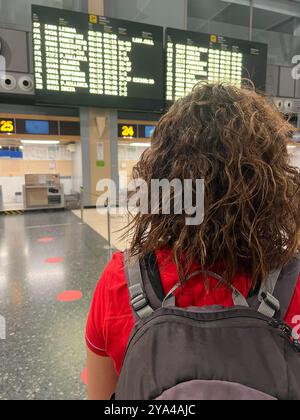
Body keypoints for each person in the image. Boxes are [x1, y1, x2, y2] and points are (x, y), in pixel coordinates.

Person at [86, 82, 300, 400]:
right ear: (270, 181)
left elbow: (102, 396)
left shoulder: (120, 279)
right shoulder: (294, 281)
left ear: (161, 178)